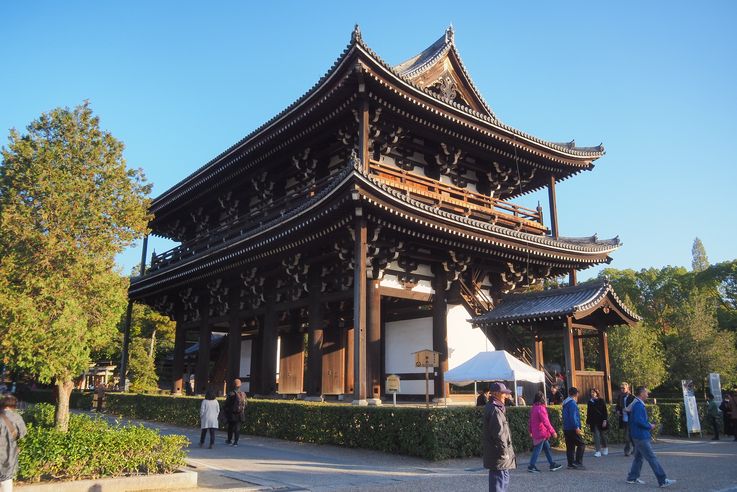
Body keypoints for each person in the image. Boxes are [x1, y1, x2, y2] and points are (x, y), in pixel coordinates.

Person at [626, 386, 676, 487]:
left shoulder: (636, 404)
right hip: (641, 436)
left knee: (638, 458)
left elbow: (636, 420)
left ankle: (632, 477)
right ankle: (662, 480)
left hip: (637, 435)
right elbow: (639, 421)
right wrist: (649, 425)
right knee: (652, 458)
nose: (648, 394)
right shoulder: (639, 405)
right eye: (646, 392)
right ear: (641, 393)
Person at [482, 382, 516, 491]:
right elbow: (499, 434)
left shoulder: (494, 407)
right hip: (498, 453)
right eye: (503, 393)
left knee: (502, 479)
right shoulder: (495, 409)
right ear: (496, 394)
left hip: (497, 453)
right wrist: (504, 452)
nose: (505, 396)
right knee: (499, 481)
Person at [527, 391, 563, 473]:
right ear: (542, 398)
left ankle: (552, 464)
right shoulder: (541, 408)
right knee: (537, 450)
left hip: (537, 432)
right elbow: (546, 421)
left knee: (547, 448)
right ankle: (531, 465)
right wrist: (553, 431)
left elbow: (530, 421)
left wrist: (530, 430)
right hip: (541, 432)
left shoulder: (534, 408)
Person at [0, 394, 27, 492]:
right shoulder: (17, 417)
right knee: (6, 480)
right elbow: (23, 433)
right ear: (14, 405)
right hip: (9, 452)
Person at [562, 386, 585, 469]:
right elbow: (573, 416)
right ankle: (578, 462)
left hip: (566, 428)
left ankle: (570, 463)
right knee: (581, 444)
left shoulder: (565, 403)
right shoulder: (572, 403)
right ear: (576, 394)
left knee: (570, 446)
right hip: (572, 428)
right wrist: (576, 427)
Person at [223, 378, 247, 447]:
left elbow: (226, 404)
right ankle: (236, 442)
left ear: (233, 385)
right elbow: (246, 404)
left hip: (232, 413)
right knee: (237, 428)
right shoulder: (243, 394)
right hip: (240, 414)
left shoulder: (231, 394)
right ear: (240, 385)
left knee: (230, 427)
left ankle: (229, 440)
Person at [586, 388, 609, 457]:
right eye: (591, 392)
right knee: (596, 435)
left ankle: (605, 447)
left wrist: (605, 420)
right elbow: (589, 412)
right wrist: (588, 421)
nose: (592, 393)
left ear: (597, 393)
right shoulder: (590, 402)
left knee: (602, 435)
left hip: (601, 420)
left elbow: (605, 411)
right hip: (593, 421)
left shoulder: (601, 400)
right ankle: (598, 451)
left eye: (594, 392)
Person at [615, 382, 636, 456]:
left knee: (628, 436)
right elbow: (617, 406)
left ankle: (628, 450)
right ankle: (634, 448)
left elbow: (634, 408)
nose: (622, 389)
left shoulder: (632, 397)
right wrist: (617, 411)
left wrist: (628, 410)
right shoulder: (620, 396)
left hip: (630, 419)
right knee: (628, 435)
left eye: (623, 388)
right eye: (621, 388)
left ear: (627, 388)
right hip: (623, 418)